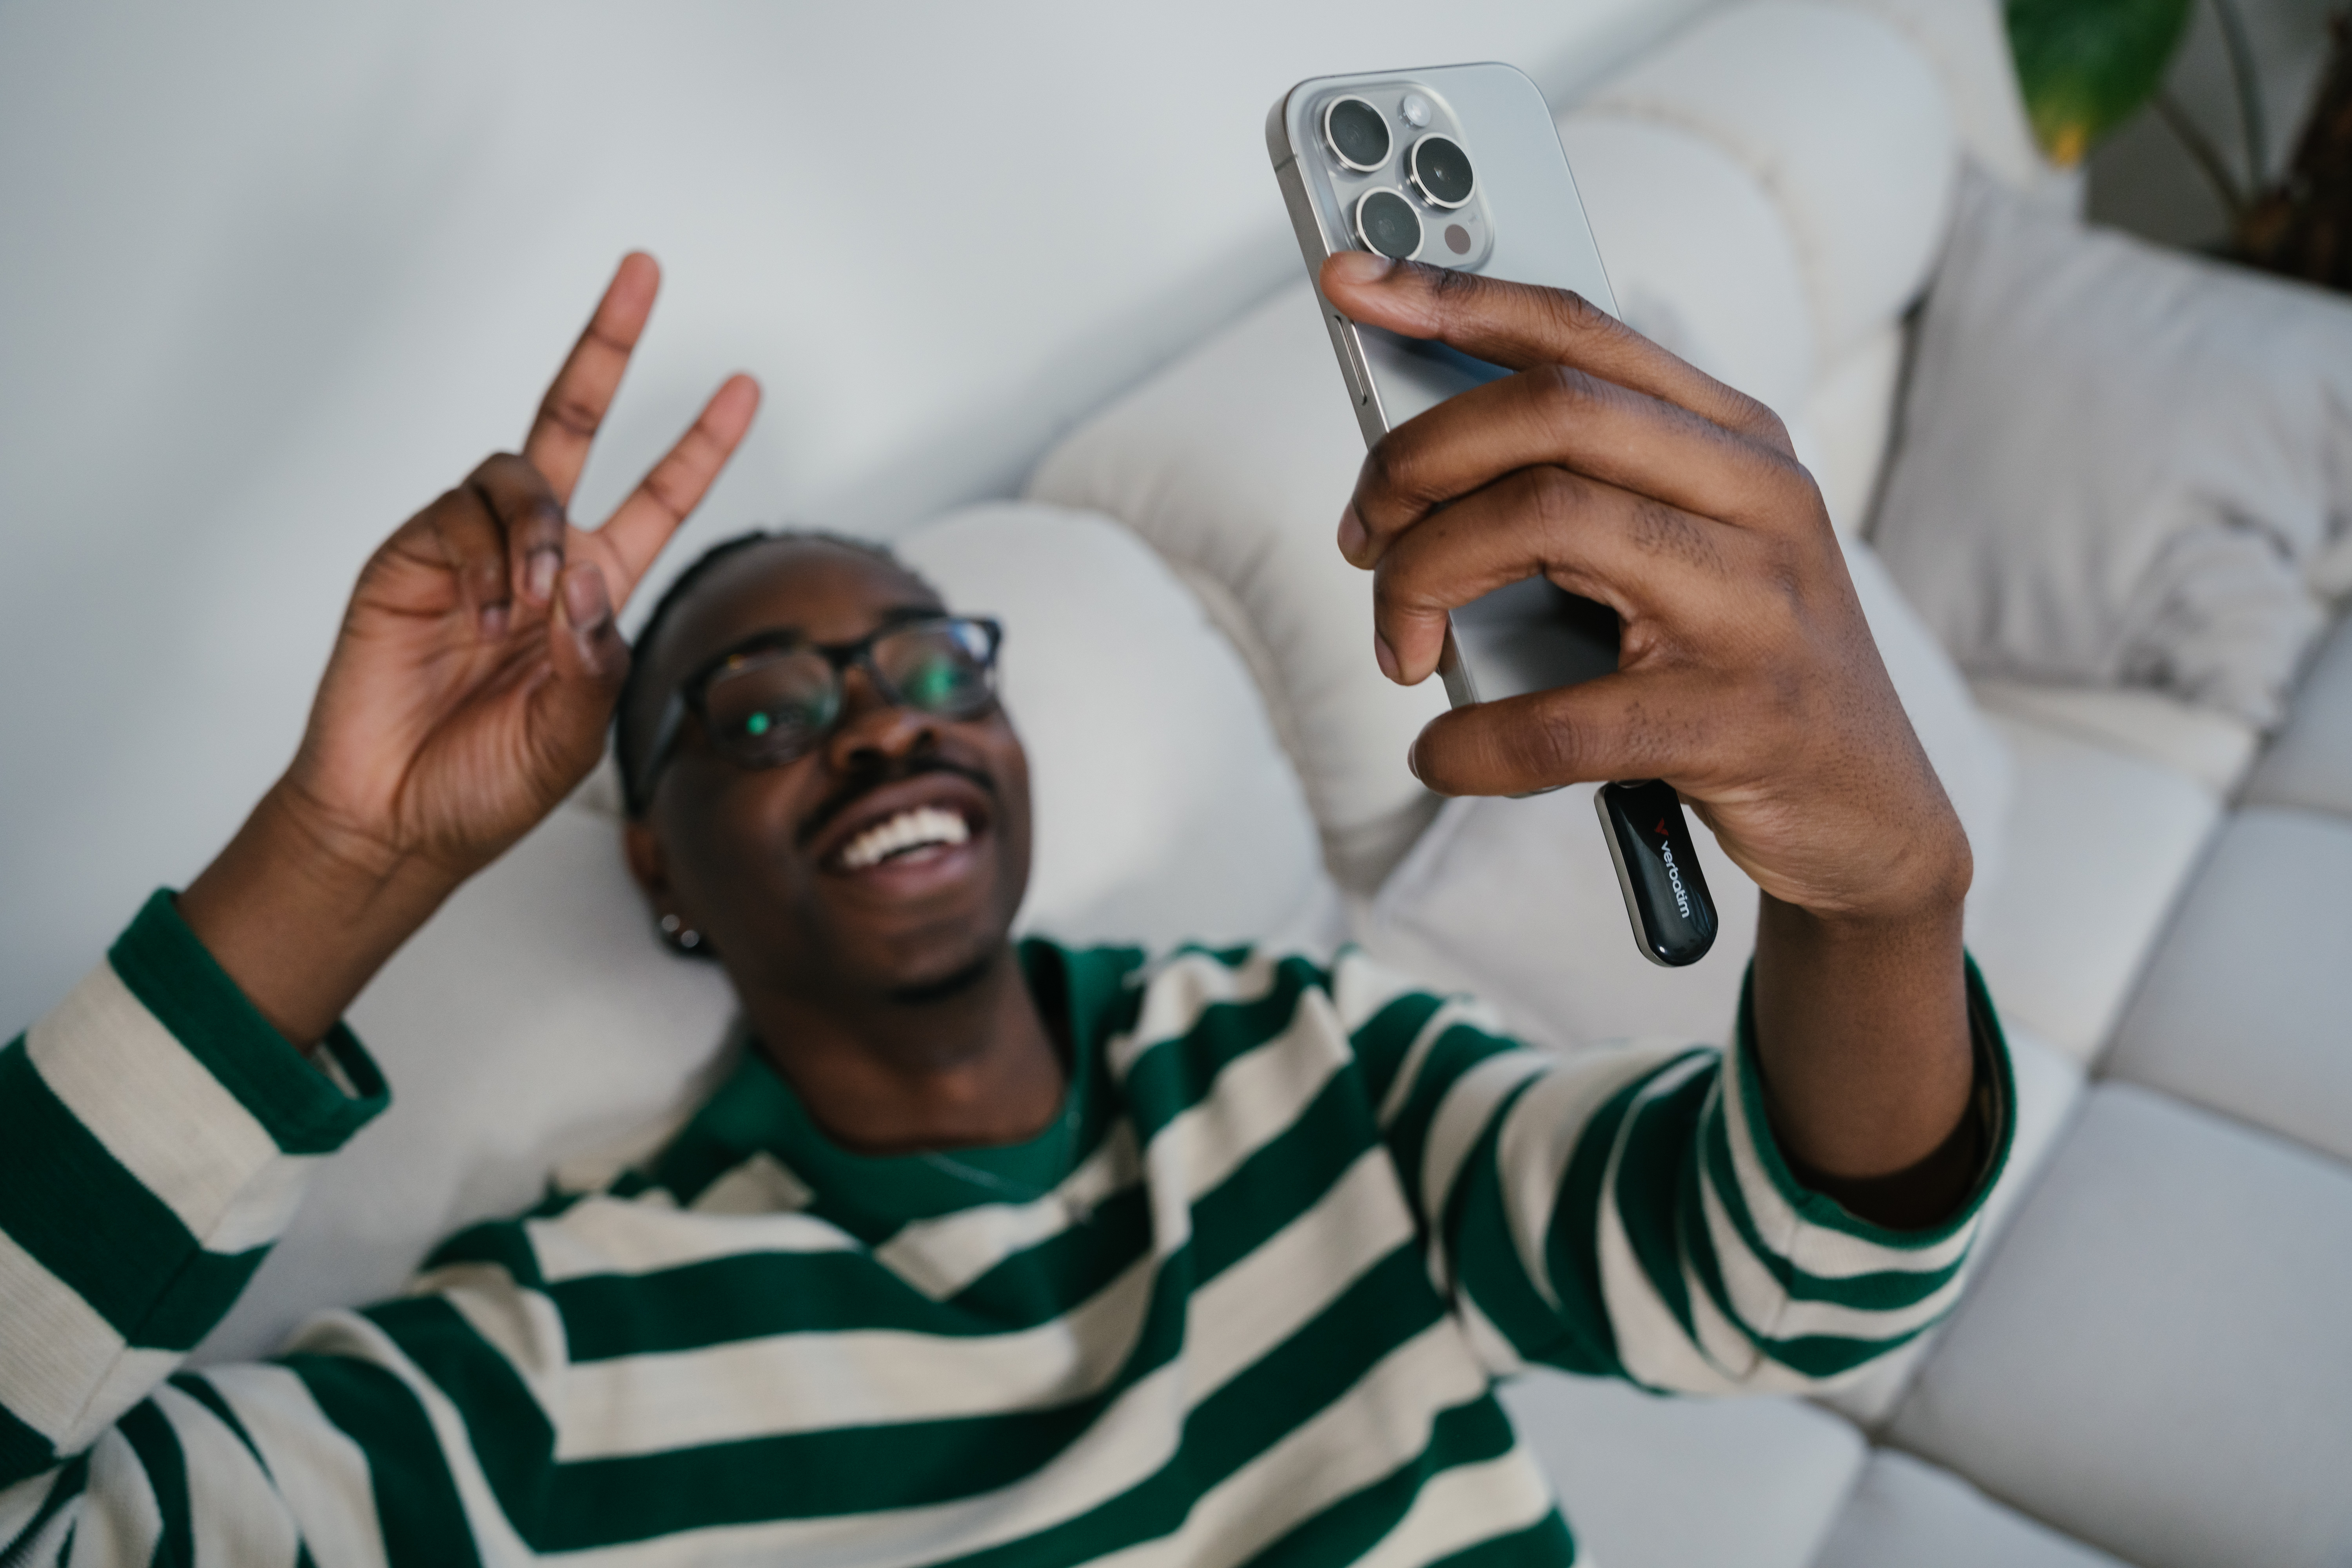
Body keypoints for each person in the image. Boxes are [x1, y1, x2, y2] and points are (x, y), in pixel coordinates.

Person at [0, 250, 2011, 1566]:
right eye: (768, 709)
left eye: (934, 667)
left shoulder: (1299, 1063)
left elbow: (1790, 1280)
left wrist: (1887, 899)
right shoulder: (549, 1361)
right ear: (658, 868)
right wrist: (336, 861)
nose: (884, 728)